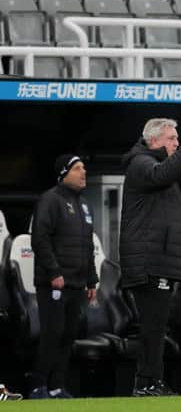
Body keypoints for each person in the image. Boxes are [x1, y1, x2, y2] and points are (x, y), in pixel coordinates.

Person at [120, 118, 181, 396]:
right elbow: (161, 174)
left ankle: (150, 381)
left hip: (159, 258)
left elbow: (161, 213)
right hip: (149, 260)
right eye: (172, 138)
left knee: (157, 326)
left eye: (178, 138)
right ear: (155, 140)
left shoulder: (159, 169)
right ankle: (147, 383)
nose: (176, 143)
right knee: (152, 326)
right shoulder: (141, 163)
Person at [30, 155, 98, 399]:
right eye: (77, 168)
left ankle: (58, 386)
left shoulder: (84, 205)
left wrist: (92, 280)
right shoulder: (51, 200)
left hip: (77, 283)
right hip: (54, 283)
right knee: (53, 333)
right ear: (63, 173)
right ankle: (38, 386)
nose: (84, 172)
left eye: (84, 168)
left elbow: (87, 245)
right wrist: (54, 271)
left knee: (69, 334)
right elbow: (40, 238)